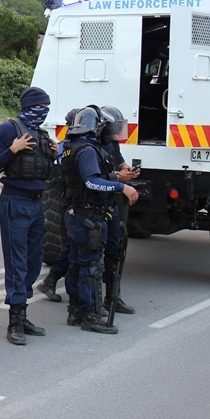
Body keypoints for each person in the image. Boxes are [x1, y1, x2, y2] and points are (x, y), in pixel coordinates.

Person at [0, 87, 57, 345]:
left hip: (37, 204)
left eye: (48, 107)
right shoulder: (8, 130)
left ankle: (23, 312)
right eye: (42, 106)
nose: (45, 111)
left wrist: (54, 156)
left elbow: (44, 170)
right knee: (17, 262)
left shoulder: (43, 134)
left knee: (34, 261)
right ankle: (14, 321)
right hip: (15, 202)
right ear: (30, 106)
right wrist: (13, 150)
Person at [60, 106, 139, 334]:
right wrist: (121, 186)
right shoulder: (87, 150)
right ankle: (90, 316)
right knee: (91, 266)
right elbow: (92, 182)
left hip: (77, 214)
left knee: (77, 264)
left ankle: (75, 311)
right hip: (88, 216)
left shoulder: (70, 146)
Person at [99, 105, 140, 316]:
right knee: (92, 252)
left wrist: (128, 172)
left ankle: (113, 297)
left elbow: (121, 164)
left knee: (116, 249)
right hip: (97, 202)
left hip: (113, 201)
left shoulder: (112, 143)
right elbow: (94, 177)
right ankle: (88, 304)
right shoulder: (93, 145)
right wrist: (119, 179)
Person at [37, 107, 81, 302]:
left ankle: (52, 280)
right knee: (75, 247)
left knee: (73, 246)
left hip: (72, 202)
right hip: (74, 203)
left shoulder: (66, 146)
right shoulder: (68, 147)